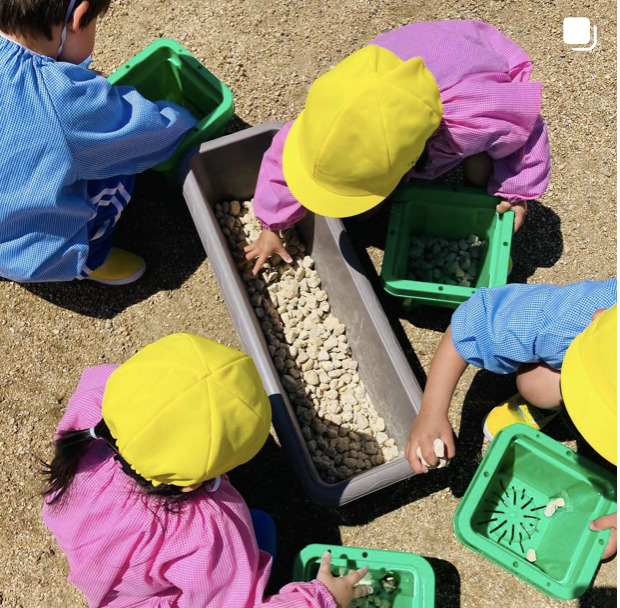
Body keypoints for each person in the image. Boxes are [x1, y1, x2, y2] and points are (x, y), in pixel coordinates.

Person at [42, 333, 372, 607]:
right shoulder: (205, 531)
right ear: (188, 485)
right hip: (140, 598)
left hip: (94, 554)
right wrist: (322, 598)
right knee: (258, 535)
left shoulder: (96, 395)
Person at [244, 20, 551, 275]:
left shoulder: (474, 118)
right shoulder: (325, 120)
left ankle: (476, 194)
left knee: (483, 161)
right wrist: (272, 225)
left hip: (458, 63)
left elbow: (525, 130)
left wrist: (515, 191)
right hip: (401, 60)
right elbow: (280, 165)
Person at [406, 280, 617, 559]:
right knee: (537, 387)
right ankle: (554, 397)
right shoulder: (570, 318)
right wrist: (431, 412)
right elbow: (473, 324)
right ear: (598, 318)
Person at [0, 0, 198, 285]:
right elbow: (149, 135)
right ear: (79, 18)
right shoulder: (63, 102)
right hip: (32, 256)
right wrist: (182, 117)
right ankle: (92, 260)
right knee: (115, 168)